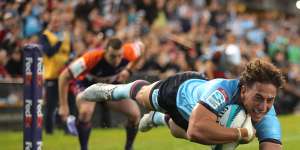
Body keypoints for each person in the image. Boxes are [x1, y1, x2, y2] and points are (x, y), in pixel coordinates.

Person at [79, 59, 285, 150]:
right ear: (243, 90)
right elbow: (197, 130)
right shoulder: (222, 91)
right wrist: (241, 134)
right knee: (143, 96)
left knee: (179, 131)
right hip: (180, 92)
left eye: (270, 100)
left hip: (196, 120)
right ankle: (113, 90)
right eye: (258, 98)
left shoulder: (268, 111)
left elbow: (272, 147)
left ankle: (159, 119)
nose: (264, 105)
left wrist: (239, 133)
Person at [58, 38, 145, 150]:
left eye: (120, 56)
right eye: (113, 56)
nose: (117, 60)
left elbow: (142, 48)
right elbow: (64, 76)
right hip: (87, 86)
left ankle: (129, 147)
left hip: (110, 87)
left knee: (135, 114)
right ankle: (83, 148)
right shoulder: (91, 58)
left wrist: (129, 70)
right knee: (85, 111)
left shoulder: (129, 51)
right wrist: (63, 106)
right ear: (105, 51)